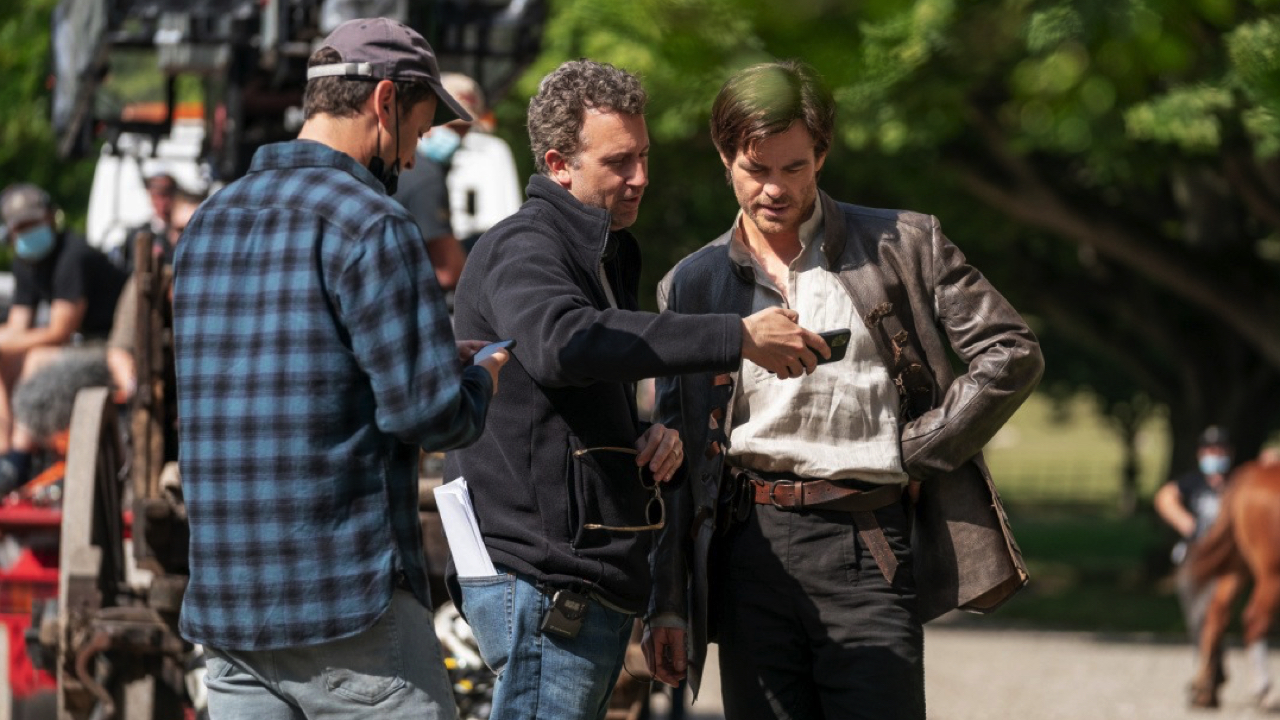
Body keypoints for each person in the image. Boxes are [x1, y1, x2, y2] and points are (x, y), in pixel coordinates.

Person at [645, 60, 1044, 720]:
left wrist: (914, 449)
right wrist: (666, 600)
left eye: (793, 167)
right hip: (748, 550)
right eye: (755, 168)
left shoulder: (905, 244)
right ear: (724, 157)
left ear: (822, 154)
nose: (774, 188)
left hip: (869, 543)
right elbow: (677, 458)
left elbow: (1011, 353)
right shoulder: (688, 286)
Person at [445, 58, 828, 720]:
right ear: (559, 164)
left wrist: (644, 439)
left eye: (644, 156)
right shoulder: (525, 247)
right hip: (543, 585)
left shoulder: (600, 252)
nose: (641, 177)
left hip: (577, 583)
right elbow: (565, 344)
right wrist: (733, 335)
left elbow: (562, 398)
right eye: (619, 161)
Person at [171, 17, 508, 720]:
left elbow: (283, 367)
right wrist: (477, 381)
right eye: (416, 131)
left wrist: (424, 359)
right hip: (345, 607)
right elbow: (428, 416)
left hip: (229, 614)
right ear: (384, 102)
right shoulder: (373, 222)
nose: (412, 158)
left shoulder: (207, 222)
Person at [0, 183, 128, 489]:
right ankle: (4, 456)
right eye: (21, 226)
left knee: (36, 360)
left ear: (50, 218)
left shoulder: (74, 255)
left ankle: (20, 458)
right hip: (81, 347)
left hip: (112, 348)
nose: (28, 231)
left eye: (33, 222)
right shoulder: (25, 262)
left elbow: (60, 331)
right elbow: (18, 327)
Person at [392, 72, 481, 291]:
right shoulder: (425, 175)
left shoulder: (406, 165)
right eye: (452, 126)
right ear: (428, 119)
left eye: (465, 129)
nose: (459, 137)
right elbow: (448, 272)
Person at [1155, 425, 1233, 652]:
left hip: (1228, 553)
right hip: (1198, 549)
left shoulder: (1238, 482)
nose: (1215, 455)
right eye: (1210, 450)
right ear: (1201, 453)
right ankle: (1204, 642)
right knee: (1191, 593)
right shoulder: (1193, 482)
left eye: (1220, 450)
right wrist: (1185, 522)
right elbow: (1165, 496)